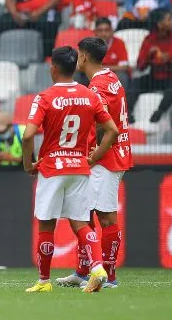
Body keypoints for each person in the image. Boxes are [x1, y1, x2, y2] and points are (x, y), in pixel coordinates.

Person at [22, 45, 118, 293]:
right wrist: (94, 157)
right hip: (79, 167)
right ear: (75, 66)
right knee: (80, 223)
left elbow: (28, 135)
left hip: (52, 167)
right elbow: (112, 130)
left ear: (53, 68)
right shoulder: (90, 95)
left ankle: (43, 281)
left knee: (46, 224)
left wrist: (28, 163)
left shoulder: (44, 97)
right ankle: (98, 268)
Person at [53, 37, 133, 289]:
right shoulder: (110, 78)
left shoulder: (99, 86)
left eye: (78, 54)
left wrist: (93, 154)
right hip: (109, 155)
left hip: (107, 158)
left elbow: (103, 124)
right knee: (84, 213)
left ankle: (109, 276)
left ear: (84, 57)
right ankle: (83, 271)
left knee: (106, 217)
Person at [126, 8, 172, 123]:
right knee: (136, 82)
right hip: (154, 77)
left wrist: (169, 60)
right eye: (169, 20)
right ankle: (128, 112)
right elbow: (140, 66)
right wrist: (148, 56)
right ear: (159, 24)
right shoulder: (149, 39)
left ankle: (159, 112)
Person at [94, 17, 132, 85]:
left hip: (114, 74)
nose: (103, 33)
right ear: (95, 32)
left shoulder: (119, 43)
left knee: (122, 75)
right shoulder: (90, 44)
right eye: (100, 30)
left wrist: (102, 69)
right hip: (95, 74)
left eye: (107, 30)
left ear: (112, 31)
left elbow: (124, 66)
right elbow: (80, 65)